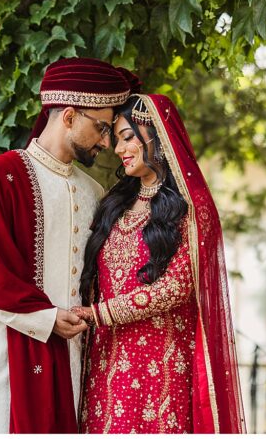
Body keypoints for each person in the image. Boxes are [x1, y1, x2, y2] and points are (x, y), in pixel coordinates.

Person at [0, 57, 141, 433]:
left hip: (70, 361)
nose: (107, 142)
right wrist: (45, 319)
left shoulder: (93, 192)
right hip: (2, 360)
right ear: (69, 116)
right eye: (102, 128)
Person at [73, 94, 246, 433]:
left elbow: (176, 288)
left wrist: (99, 315)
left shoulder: (193, 209)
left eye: (127, 138)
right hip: (105, 358)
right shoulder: (114, 203)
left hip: (160, 365)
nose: (118, 149)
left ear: (157, 136)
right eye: (116, 139)